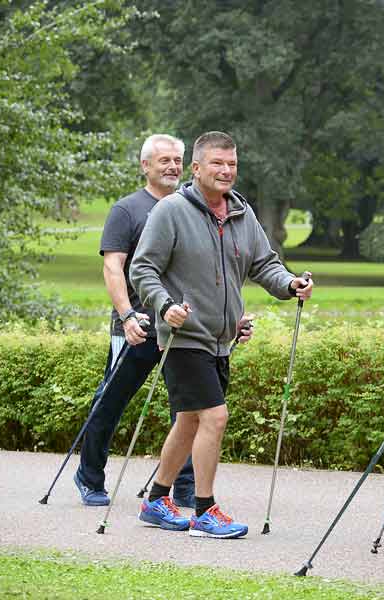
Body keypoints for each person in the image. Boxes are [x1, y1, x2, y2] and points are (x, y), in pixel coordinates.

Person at [130, 131, 313, 538]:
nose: (226, 170)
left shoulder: (241, 214)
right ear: (196, 168)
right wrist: (164, 305)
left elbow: (264, 263)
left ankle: (157, 500)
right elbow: (142, 269)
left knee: (190, 421)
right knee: (214, 416)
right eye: (216, 163)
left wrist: (289, 284)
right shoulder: (172, 211)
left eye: (231, 164)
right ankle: (204, 510)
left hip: (220, 339)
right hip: (183, 336)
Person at [73, 134, 195, 508]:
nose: (173, 166)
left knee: (189, 409)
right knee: (111, 402)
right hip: (136, 326)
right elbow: (113, 267)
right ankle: (90, 476)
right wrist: (126, 315)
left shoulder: (191, 209)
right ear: (146, 165)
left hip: (179, 328)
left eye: (178, 160)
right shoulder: (127, 210)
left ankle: (185, 486)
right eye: (165, 160)